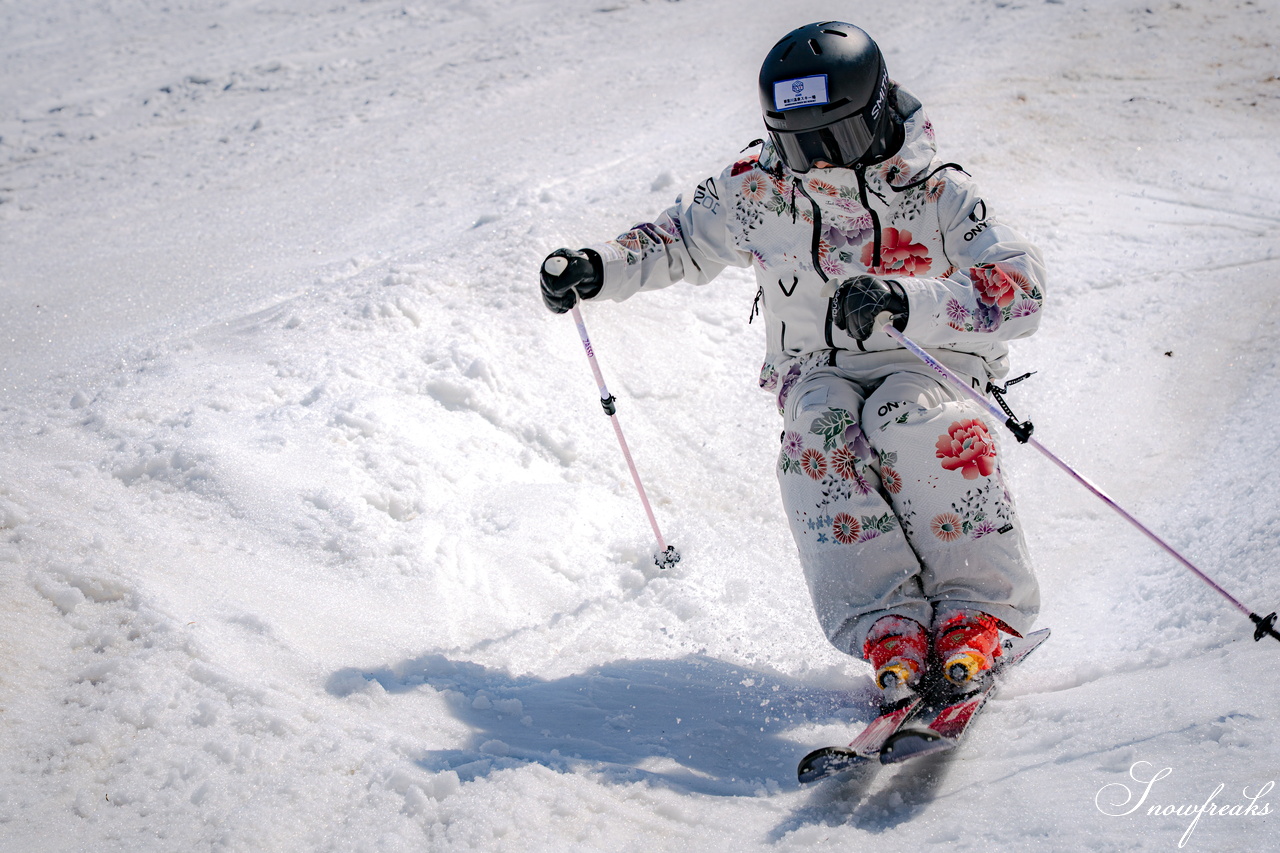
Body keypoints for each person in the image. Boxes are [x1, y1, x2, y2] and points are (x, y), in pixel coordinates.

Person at [539, 21, 1044, 706]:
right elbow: (678, 238)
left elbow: (1019, 286)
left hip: (934, 358)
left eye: (838, 140)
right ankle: (885, 619)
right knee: (819, 435)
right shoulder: (758, 189)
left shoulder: (937, 192)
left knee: (909, 418)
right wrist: (600, 266)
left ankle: (979, 609)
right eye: (800, 144)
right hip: (819, 367)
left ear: (876, 113)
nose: (821, 163)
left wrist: (907, 298)